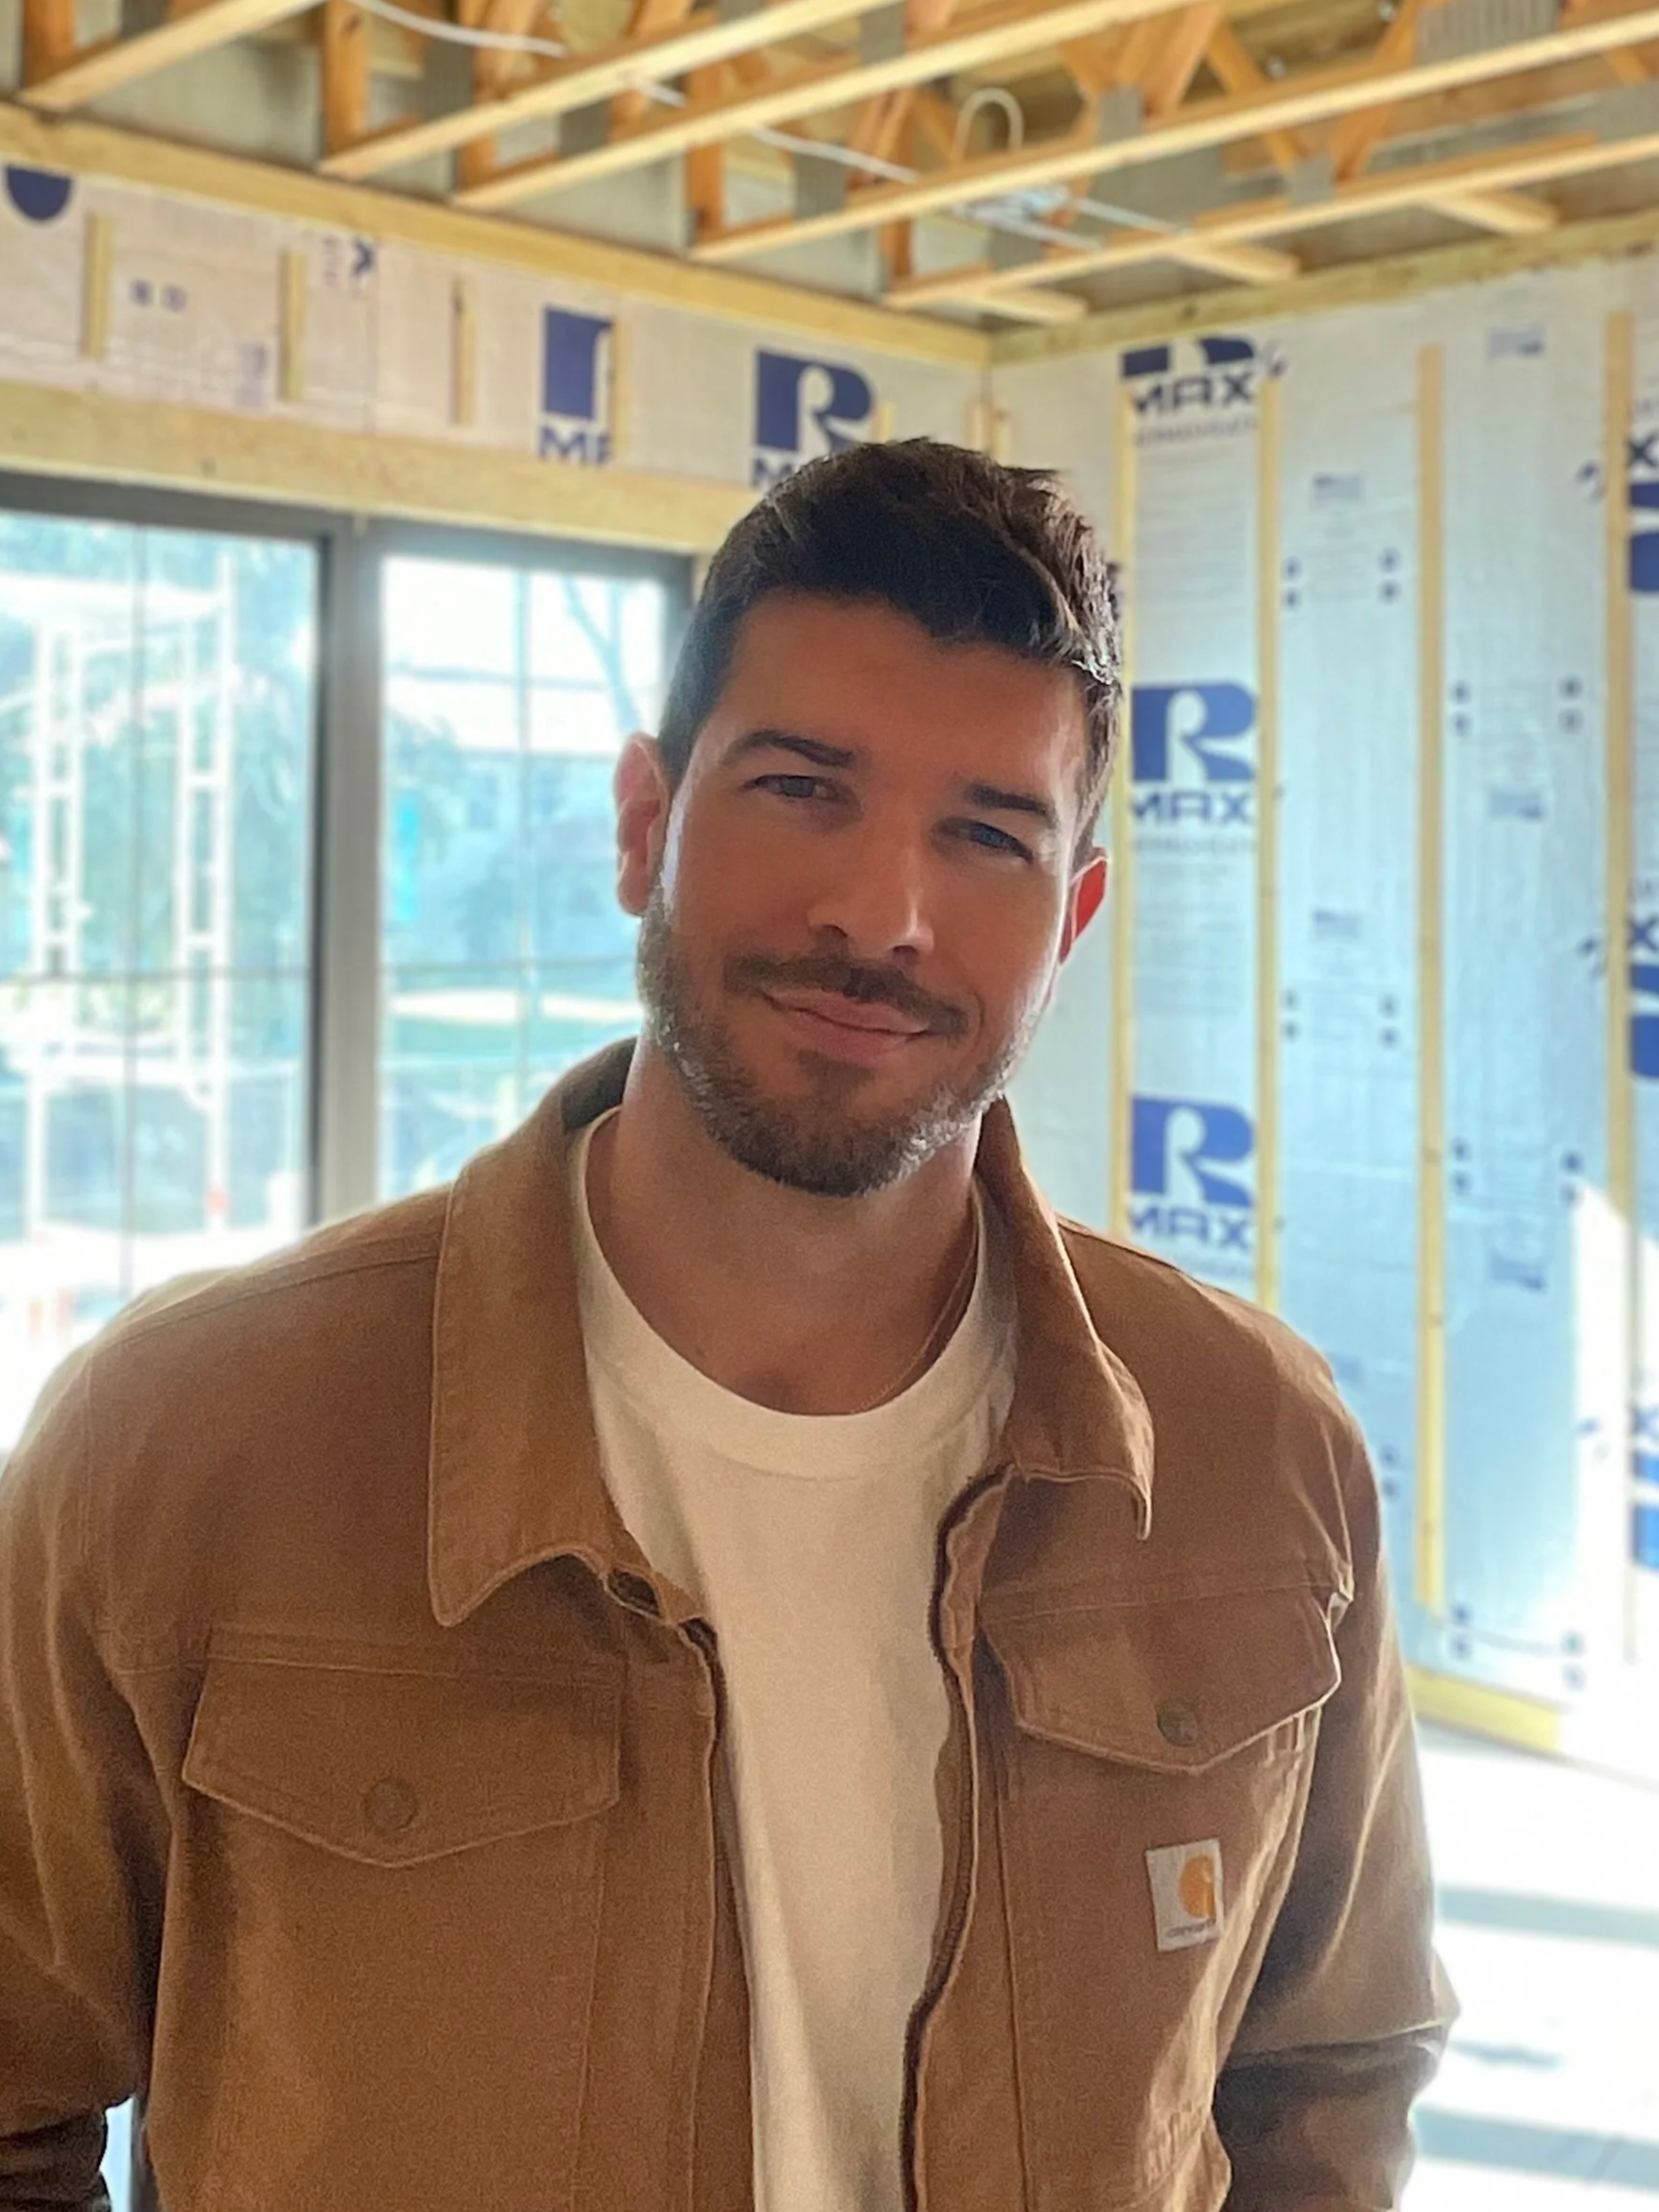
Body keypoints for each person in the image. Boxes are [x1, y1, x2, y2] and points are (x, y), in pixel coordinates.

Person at [0, 439, 1452, 2212]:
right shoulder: (188, 1446)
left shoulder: (1255, 1454)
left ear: (1068, 916)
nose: (879, 916)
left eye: (985, 834)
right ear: (645, 824)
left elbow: (1324, 2085)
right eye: (800, 787)